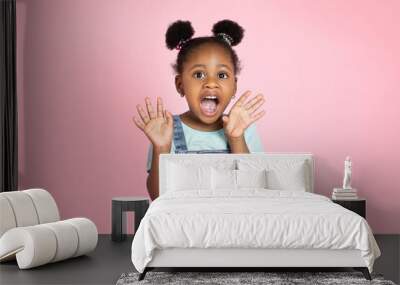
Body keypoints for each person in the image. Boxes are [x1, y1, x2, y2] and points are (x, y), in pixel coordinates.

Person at [132, 19, 266, 200]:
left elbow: (253, 190)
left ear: (234, 86)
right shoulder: (165, 130)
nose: (211, 83)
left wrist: (236, 138)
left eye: (221, 75)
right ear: (180, 85)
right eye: (199, 74)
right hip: (184, 224)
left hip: (233, 223)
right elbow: (158, 197)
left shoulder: (244, 129)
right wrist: (161, 148)